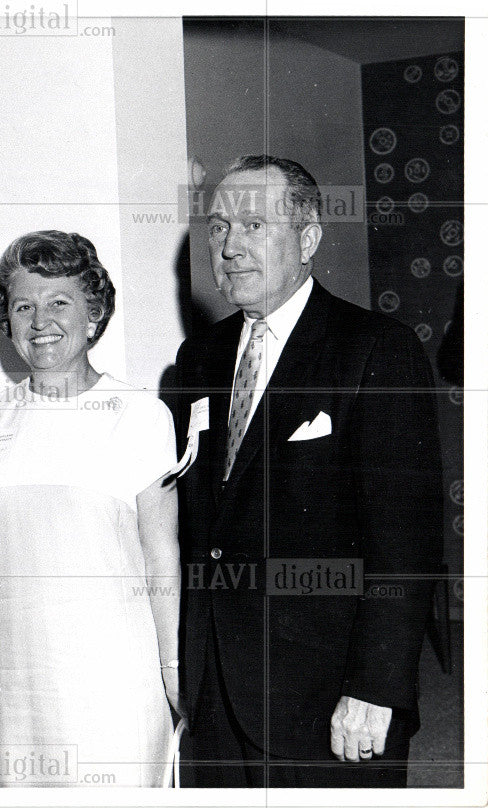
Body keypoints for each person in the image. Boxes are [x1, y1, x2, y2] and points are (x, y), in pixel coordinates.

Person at [175, 155, 443, 787]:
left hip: (329, 698)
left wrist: (377, 688)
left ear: (309, 239)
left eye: (252, 226)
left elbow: (406, 540)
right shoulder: (199, 357)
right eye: (218, 228)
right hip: (218, 693)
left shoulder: (376, 348)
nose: (230, 246)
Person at [0, 230, 181, 787]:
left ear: (95, 314)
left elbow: (162, 562)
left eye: (60, 303)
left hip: (116, 684)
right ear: (5, 321)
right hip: (20, 687)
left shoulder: (140, 416)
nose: (40, 322)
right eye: (23, 306)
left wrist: (175, 671)